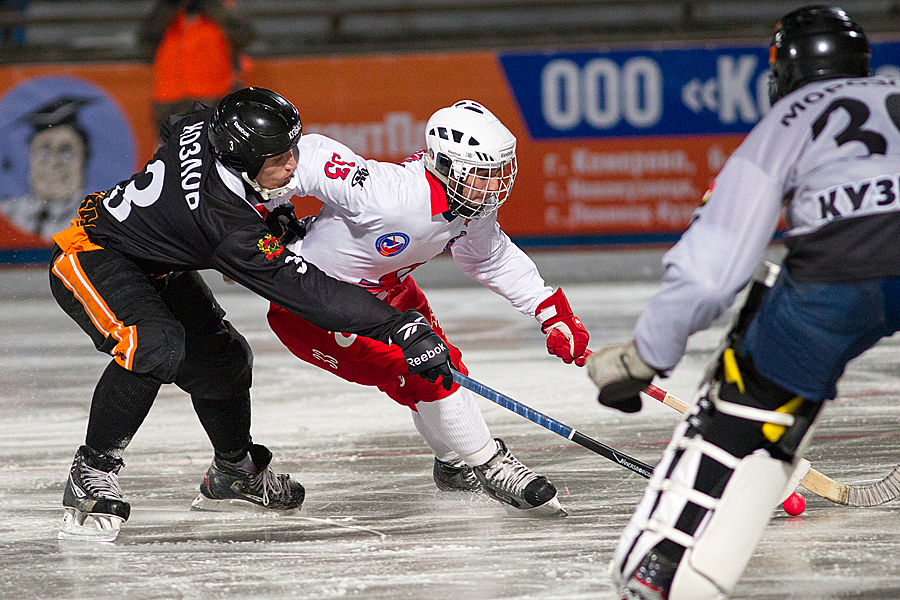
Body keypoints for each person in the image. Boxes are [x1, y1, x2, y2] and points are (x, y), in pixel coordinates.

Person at [586, 6, 900, 598]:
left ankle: (661, 571)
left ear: (785, 72)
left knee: (737, 409)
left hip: (839, 279)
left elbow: (712, 273)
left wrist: (645, 358)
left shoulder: (788, 119)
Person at [51, 87, 452, 541]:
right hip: (93, 255)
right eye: (278, 159)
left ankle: (234, 471)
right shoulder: (227, 229)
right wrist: (398, 325)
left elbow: (179, 121)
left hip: (158, 264)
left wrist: (267, 208)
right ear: (242, 159)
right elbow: (309, 293)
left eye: (291, 151)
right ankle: (91, 470)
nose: (293, 166)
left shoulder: (208, 130)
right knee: (155, 343)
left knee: (225, 363)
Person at [266, 100, 590, 517]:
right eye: (483, 175)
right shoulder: (387, 193)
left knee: (441, 368)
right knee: (428, 372)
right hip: (315, 309)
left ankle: (455, 462)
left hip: (391, 294)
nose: (494, 188)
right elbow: (306, 154)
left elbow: (489, 257)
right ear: (448, 166)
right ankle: (489, 465)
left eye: (497, 174)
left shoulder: (470, 206)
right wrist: (260, 215)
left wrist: (551, 312)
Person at [138, 0, 255, 138]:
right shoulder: (167, 10)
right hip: (169, 98)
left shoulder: (223, 7)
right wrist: (167, 8)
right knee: (170, 152)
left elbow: (244, 35)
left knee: (209, 150)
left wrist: (212, 6)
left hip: (212, 95)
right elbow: (146, 41)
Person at [0, 96, 93, 240]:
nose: (54, 163)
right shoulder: (9, 212)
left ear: (84, 159)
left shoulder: (98, 219)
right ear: (29, 157)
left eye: (66, 153)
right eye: (44, 153)